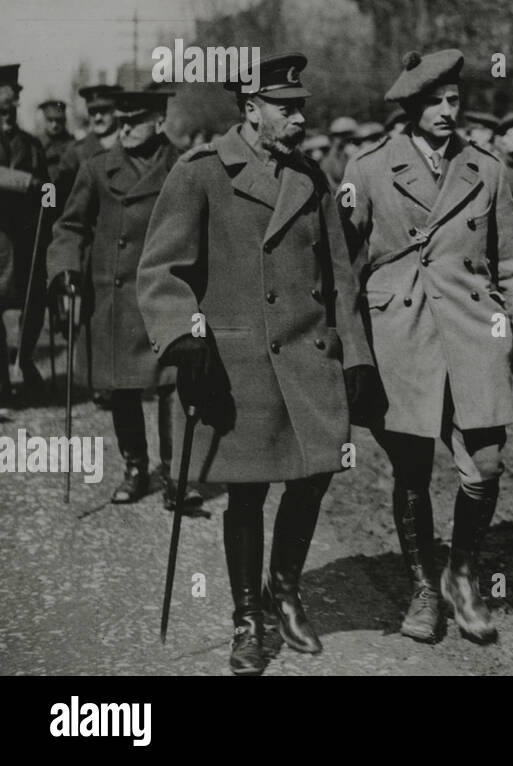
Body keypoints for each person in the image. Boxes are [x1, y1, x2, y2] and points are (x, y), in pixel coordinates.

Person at [137, 53, 382, 676]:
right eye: (287, 107)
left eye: (301, 105)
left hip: (308, 357)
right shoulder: (200, 173)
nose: (300, 117)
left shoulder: (313, 177)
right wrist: (184, 337)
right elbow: (163, 272)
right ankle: (247, 618)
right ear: (251, 110)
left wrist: (355, 352)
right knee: (245, 495)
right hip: (237, 363)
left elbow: (340, 276)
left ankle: (286, 588)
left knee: (313, 475)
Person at [341, 49, 513, 646]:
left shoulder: (485, 168)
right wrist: (346, 341)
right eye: (434, 101)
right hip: (401, 337)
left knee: (484, 465)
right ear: (411, 106)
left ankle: (461, 573)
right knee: (412, 471)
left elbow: (511, 259)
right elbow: (341, 264)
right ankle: (422, 588)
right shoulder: (367, 170)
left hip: (473, 332)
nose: (446, 111)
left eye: (454, 100)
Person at [46, 90, 197, 509]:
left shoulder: (186, 166)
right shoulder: (97, 169)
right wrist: (65, 270)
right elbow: (71, 226)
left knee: (173, 385)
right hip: (115, 297)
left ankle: (175, 473)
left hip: (169, 294)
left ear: (160, 121)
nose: (125, 126)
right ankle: (135, 467)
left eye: (136, 119)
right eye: (122, 119)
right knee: (124, 385)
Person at [0, 64, 50, 401]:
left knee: (33, 306)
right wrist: (27, 183)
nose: (16, 95)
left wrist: (50, 193)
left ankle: (26, 365)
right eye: (8, 90)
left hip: (25, 240)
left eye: (16, 92)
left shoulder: (31, 144)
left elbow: (48, 188)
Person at [55, 84, 122, 203]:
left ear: (115, 111)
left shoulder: (129, 145)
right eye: (92, 112)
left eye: (103, 111)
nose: (97, 118)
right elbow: (60, 196)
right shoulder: (75, 152)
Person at [38, 99, 74, 169]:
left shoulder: (73, 144)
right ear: (44, 120)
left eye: (58, 120)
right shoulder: (37, 144)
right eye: (50, 120)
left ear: (64, 121)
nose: (54, 125)